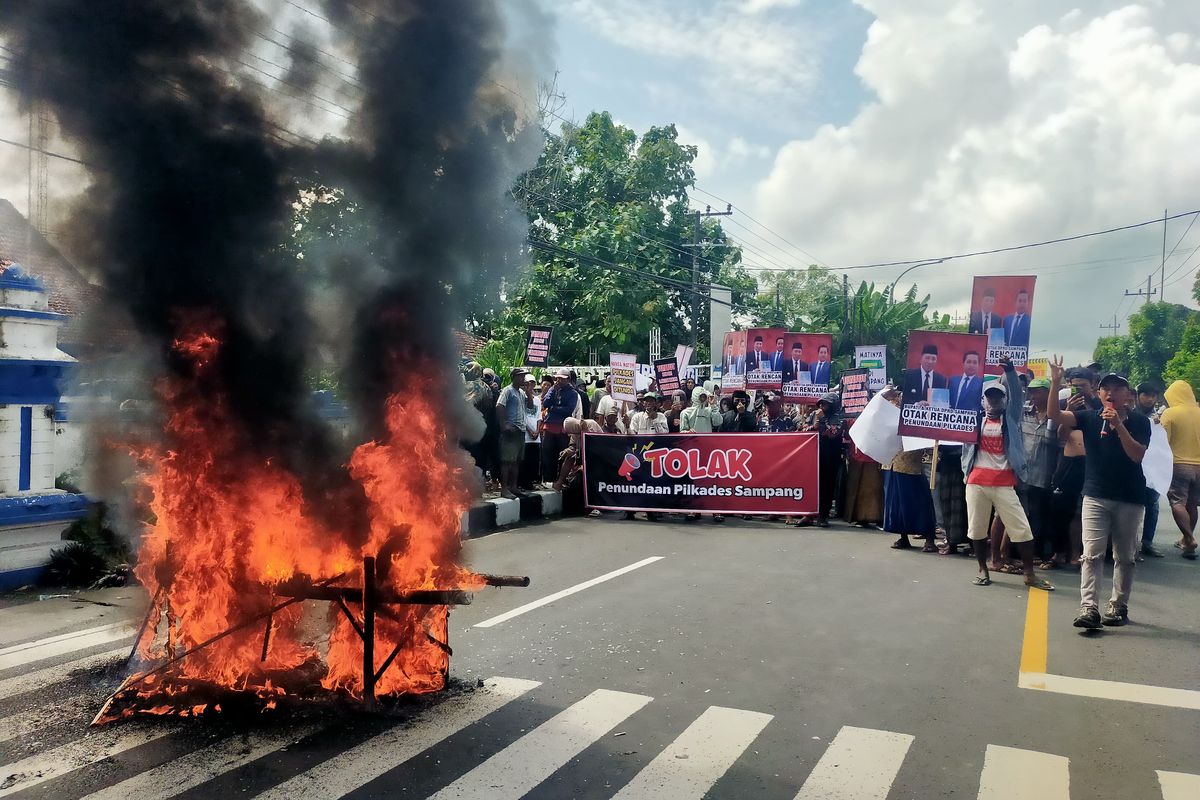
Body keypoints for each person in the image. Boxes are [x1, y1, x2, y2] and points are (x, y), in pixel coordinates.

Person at [1048, 358, 1151, 628]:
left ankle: (1118, 605)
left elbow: (1137, 455)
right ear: (1099, 391)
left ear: (1128, 395)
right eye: (1106, 388)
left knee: (1124, 556)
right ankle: (1089, 608)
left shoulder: (1140, 422)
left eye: (1117, 389)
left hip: (1129, 498)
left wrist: (1118, 425)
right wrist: (1056, 383)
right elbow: (1056, 417)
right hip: (1095, 495)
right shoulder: (1090, 417)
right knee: (1091, 554)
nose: (1110, 394)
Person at [961, 360, 1054, 590]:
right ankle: (983, 569)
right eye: (990, 397)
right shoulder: (975, 420)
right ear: (984, 400)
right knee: (977, 529)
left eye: (998, 397)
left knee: (1022, 529)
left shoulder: (1011, 419)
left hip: (1004, 483)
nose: (994, 400)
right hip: (976, 482)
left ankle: (1030, 574)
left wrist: (1010, 371)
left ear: (1004, 400)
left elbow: (1017, 394)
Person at [1020, 378, 1060, 567]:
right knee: (1021, 515)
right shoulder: (1024, 413)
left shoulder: (1057, 416)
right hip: (1022, 474)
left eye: (1039, 392)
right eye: (1032, 392)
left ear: (1048, 393)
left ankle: (1036, 551)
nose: (1034, 396)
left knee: (1038, 515)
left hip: (1045, 474)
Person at [1161, 379, 1200, 560]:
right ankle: (1186, 541)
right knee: (1192, 504)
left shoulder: (1170, 413)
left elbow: (1163, 441)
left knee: (1177, 502)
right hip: (1199, 467)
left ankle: (1190, 538)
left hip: (1179, 464)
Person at [796, 392, 843, 527]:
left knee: (826, 486)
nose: (822, 406)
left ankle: (823, 515)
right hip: (813, 455)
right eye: (821, 403)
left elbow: (833, 433)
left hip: (830, 456)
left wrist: (822, 421)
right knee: (811, 484)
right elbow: (802, 429)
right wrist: (813, 425)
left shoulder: (838, 417)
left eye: (825, 403)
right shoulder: (814, 414)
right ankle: (809, 515)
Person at [1134, 383, 1163, 558]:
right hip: (1134, 466)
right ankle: (1132, 545)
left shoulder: (1159, 417)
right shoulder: (1130, 413)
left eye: (1153, 396)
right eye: (1146, 395)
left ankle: (1147, 543)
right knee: (1134, 507)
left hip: (1152, 467)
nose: (1150, 399)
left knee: (1152, 505)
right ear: (1138, 395)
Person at [541, 368, 580, 488]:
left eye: (562, 379)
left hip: (563, 428)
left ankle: (559, 480)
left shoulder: (573, 393)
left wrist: (554, 409)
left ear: (568, 379)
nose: (559, 381)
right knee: (548, 455)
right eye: (557, 378)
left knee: (561, 455)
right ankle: (548, 479)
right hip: (550, 427)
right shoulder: (553, 389)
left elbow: (568, 410)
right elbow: (546, 403)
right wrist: (553, 391)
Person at [494, 367, 528, 499]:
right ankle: (504, 488)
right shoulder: (508, 390)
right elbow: (499, 406)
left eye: (523, 376)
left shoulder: (521, 393)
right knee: (507, 461)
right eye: (520, 376)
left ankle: (513, 486)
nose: (522, 379)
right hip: (511, 430)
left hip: (520, 430)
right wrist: (504, 425)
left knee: (516, 461)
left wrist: (529, 393)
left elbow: (529, 406)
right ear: (513, 377)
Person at [520, 374, 541, 491]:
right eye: (528, 383)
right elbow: (522, 417)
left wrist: (537, 431)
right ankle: (523, 483)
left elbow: (539, 417)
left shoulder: (537, 400)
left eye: (532, 383)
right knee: (524, 460)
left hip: (535, 436)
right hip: (525, 435)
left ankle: (530, 483)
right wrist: (530, 431)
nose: (530, 385)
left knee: (533, 461)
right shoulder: (521, 398)